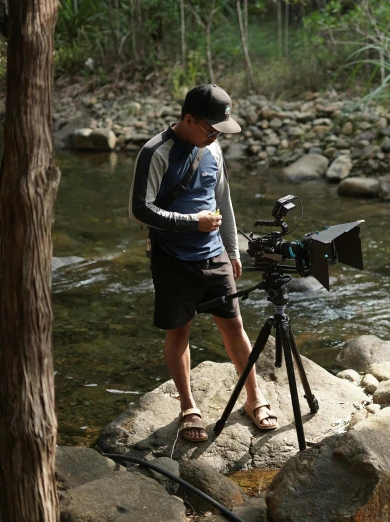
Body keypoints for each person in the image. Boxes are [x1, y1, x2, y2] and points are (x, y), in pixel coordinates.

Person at [128, 84, 277, 442]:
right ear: (189, 119)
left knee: (233, 326)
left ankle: (254, 397)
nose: (214, 137)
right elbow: (140, 209)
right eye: (210, 129)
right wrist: (192, 222)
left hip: (214, 254)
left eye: (219, 132)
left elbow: (222, 199)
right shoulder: (155, 152)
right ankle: (188, 406)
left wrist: (232, 250)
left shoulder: (213, 148)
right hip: (172, 259)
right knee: (179, 331)